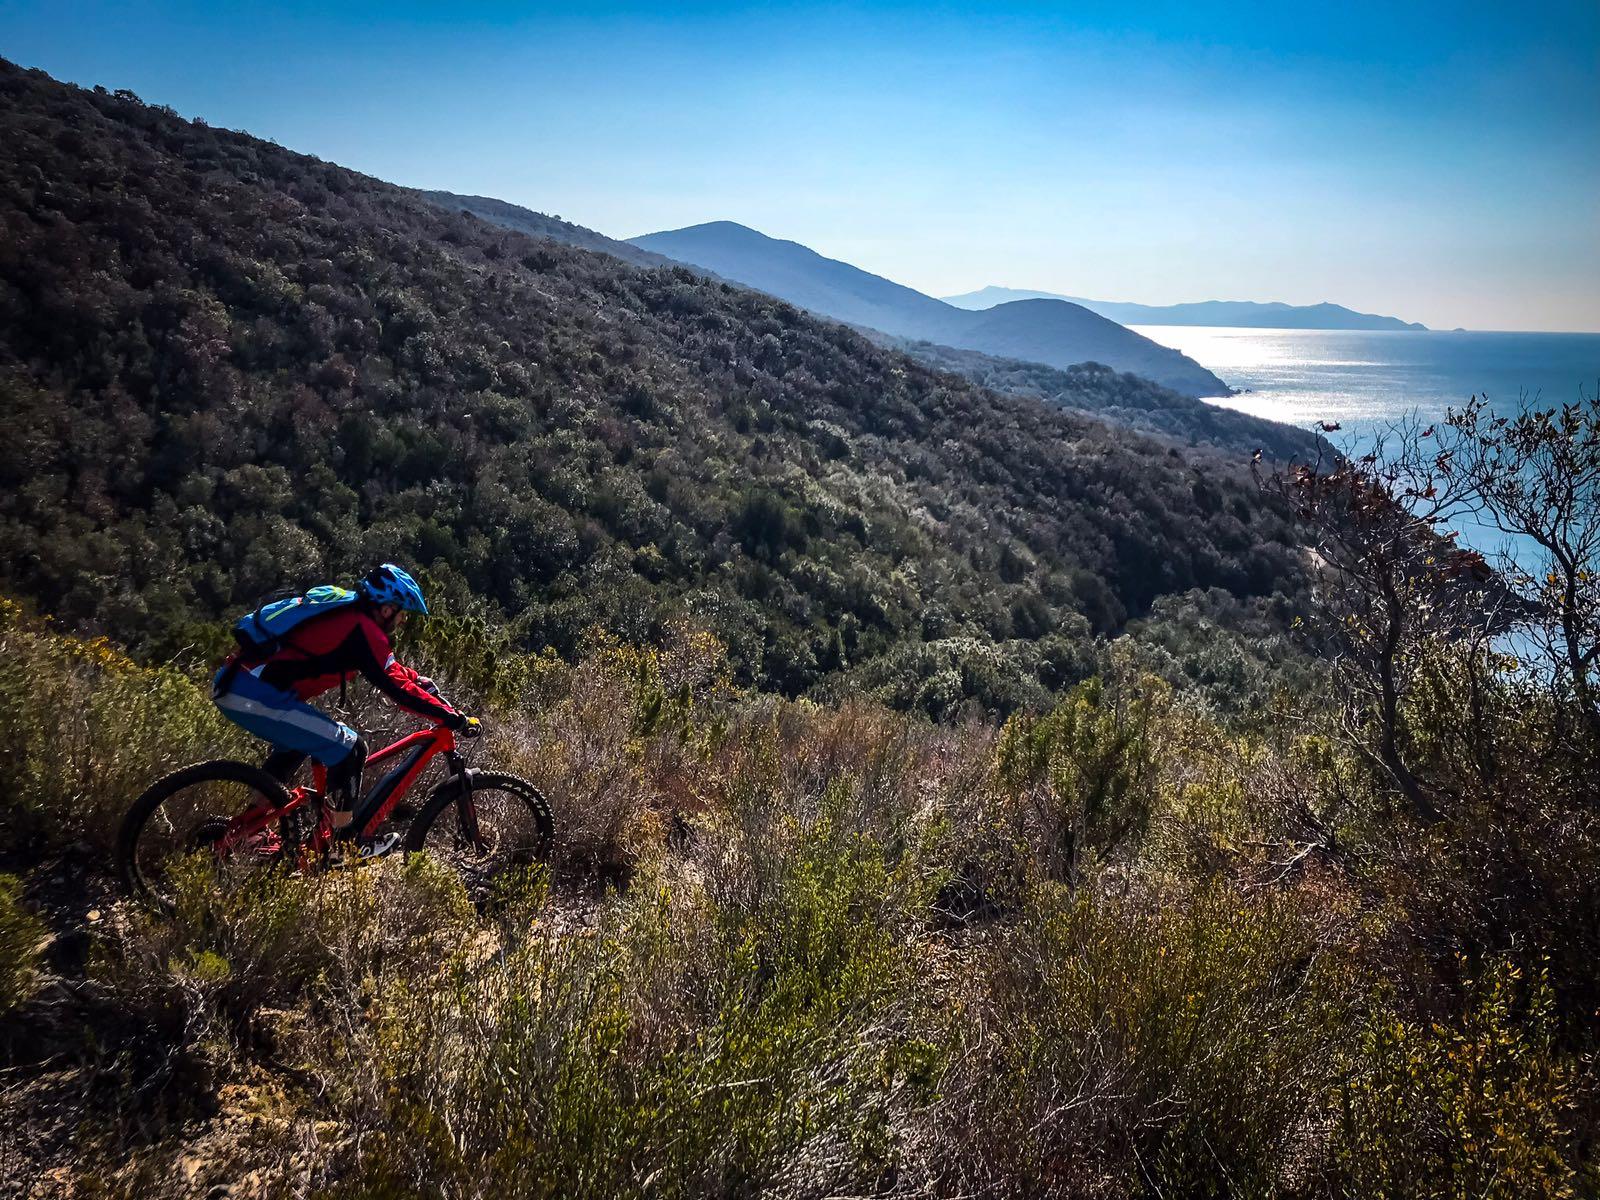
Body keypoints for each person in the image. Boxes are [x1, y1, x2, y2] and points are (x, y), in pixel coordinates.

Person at [211, 563, 473, 855]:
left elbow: (392, 670)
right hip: (251, 692)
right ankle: (343, 846)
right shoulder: (362, 630)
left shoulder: (352, 617)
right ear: (386, 609)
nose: (401, 621)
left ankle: (251, 828)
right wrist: (450, 717)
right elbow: (396, 688)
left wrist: (419, 681)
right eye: (401, 613)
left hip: (239, 685)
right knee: (351, 749)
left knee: (294, 748)